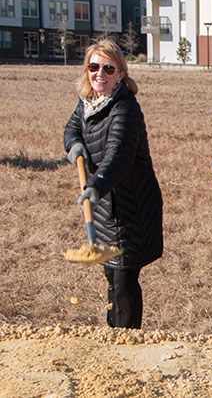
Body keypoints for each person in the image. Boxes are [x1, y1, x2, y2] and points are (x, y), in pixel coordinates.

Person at [64, 39, 163, 329]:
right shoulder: (89, 101)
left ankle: (126, 339)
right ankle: (114, 335)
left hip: (132, 208)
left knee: (124, 278)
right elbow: (72, 128)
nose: (100, 74)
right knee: (112, 275)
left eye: (109, 68)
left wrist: (95, 185)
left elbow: (118, 157)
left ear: (121, 73)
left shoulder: (125, 109)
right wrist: (75, 146)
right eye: (94, 67)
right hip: (107, 206)